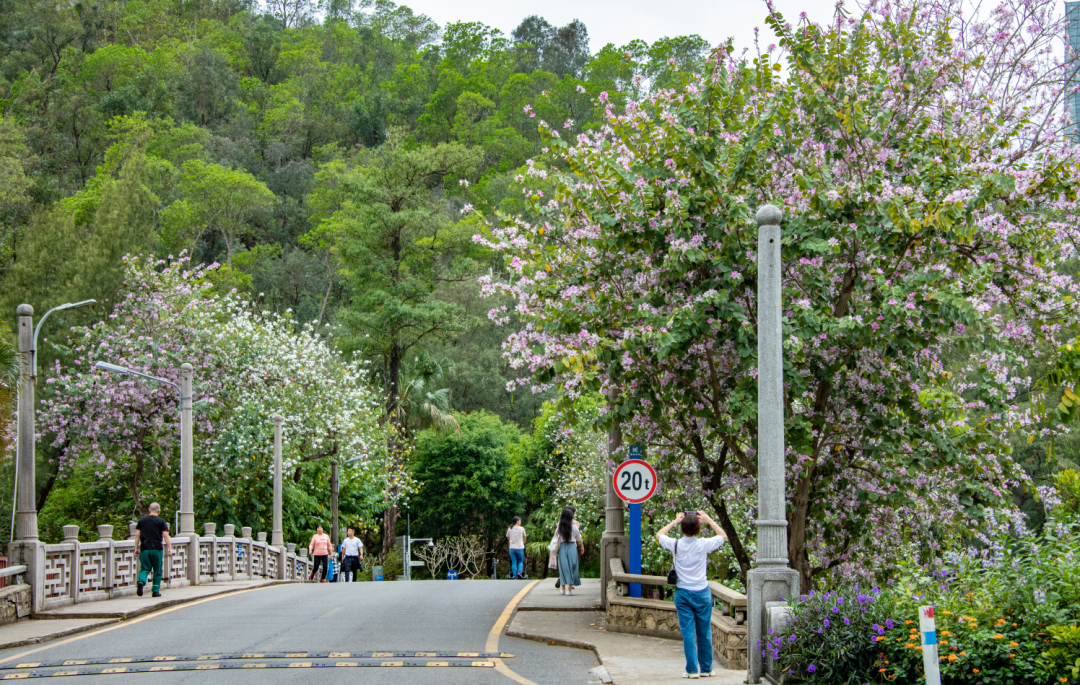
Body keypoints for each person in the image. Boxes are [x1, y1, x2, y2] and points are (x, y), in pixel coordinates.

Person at [656, 511, 728, 679]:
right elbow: (723, 536)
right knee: (704, 632)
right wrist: (709, 520)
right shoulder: (704, 544)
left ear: (682, 529)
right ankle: (707, 668)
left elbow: (659, 534)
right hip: (702, 592)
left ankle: (692, 670)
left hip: (683, 594)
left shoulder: (675, 544)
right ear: (698, 529)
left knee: (688, 633)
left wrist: (674, 521)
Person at [133, 502, 173, 598]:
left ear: (149, 510)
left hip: (145, 547)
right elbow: (165, 535)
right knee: (157, 570)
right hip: (157, 548)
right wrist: (170, 548)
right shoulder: (161, 521)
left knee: (144, 568)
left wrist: (136, 548)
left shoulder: (142, 520)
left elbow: (137, 535)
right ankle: (155, 591)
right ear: (159, 511)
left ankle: (141, 582)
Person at [552, 507, 583, 596]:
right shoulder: (574, 527)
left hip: (562, 547)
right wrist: (582, 546)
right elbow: (578, 538)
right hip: (572, 547)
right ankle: (568, 589)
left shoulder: (559, 527)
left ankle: (562, 588)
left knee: (563, 567)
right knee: (572, 566)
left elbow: (555, 537)